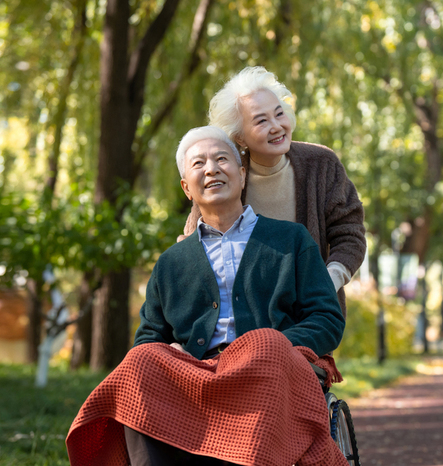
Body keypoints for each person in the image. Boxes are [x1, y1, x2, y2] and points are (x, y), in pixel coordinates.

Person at [66, 126, 348, 466]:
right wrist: (169, 350)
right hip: (196, 372)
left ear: (242, 176)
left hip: (269, 366)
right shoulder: (172, 263)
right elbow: (150, 336)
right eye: (198, 164)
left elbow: (327, 318)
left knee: (264, 346)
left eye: (221, 159)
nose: (211, 168)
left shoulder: (291, 240)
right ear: (187, 188)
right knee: (137, 363)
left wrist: (278, 345)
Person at [182, 66, 366, 315]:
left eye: (279, 114)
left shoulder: (321, 165)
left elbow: (350, 235)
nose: (277, 126)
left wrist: (325, 283)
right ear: (240, 138)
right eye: (261, 121)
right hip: (237, 318)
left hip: (307, 315)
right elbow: (193, 246)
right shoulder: (224, 177)